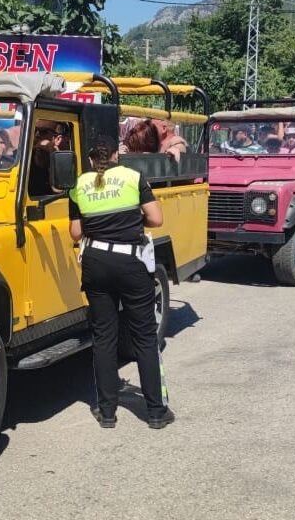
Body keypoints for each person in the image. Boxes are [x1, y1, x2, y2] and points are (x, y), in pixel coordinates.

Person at [68, 135, 174, 430]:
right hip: (130, 263)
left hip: (95, 263)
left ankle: (107, 412)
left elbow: (76, 233)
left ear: (90, 159)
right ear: (117, 154)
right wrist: (131, 219)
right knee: (143, 336)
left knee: (104, 338)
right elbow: (156, 218)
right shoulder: (133, 177)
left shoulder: (79, 185)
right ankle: (155, 411)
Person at [28, 120, 69, 196]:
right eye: (35, 131)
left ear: (58, 139)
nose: (37, 135)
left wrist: (53, 151)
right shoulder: (25, 156)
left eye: (43, 132)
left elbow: (59, 189)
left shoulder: (66, 158)